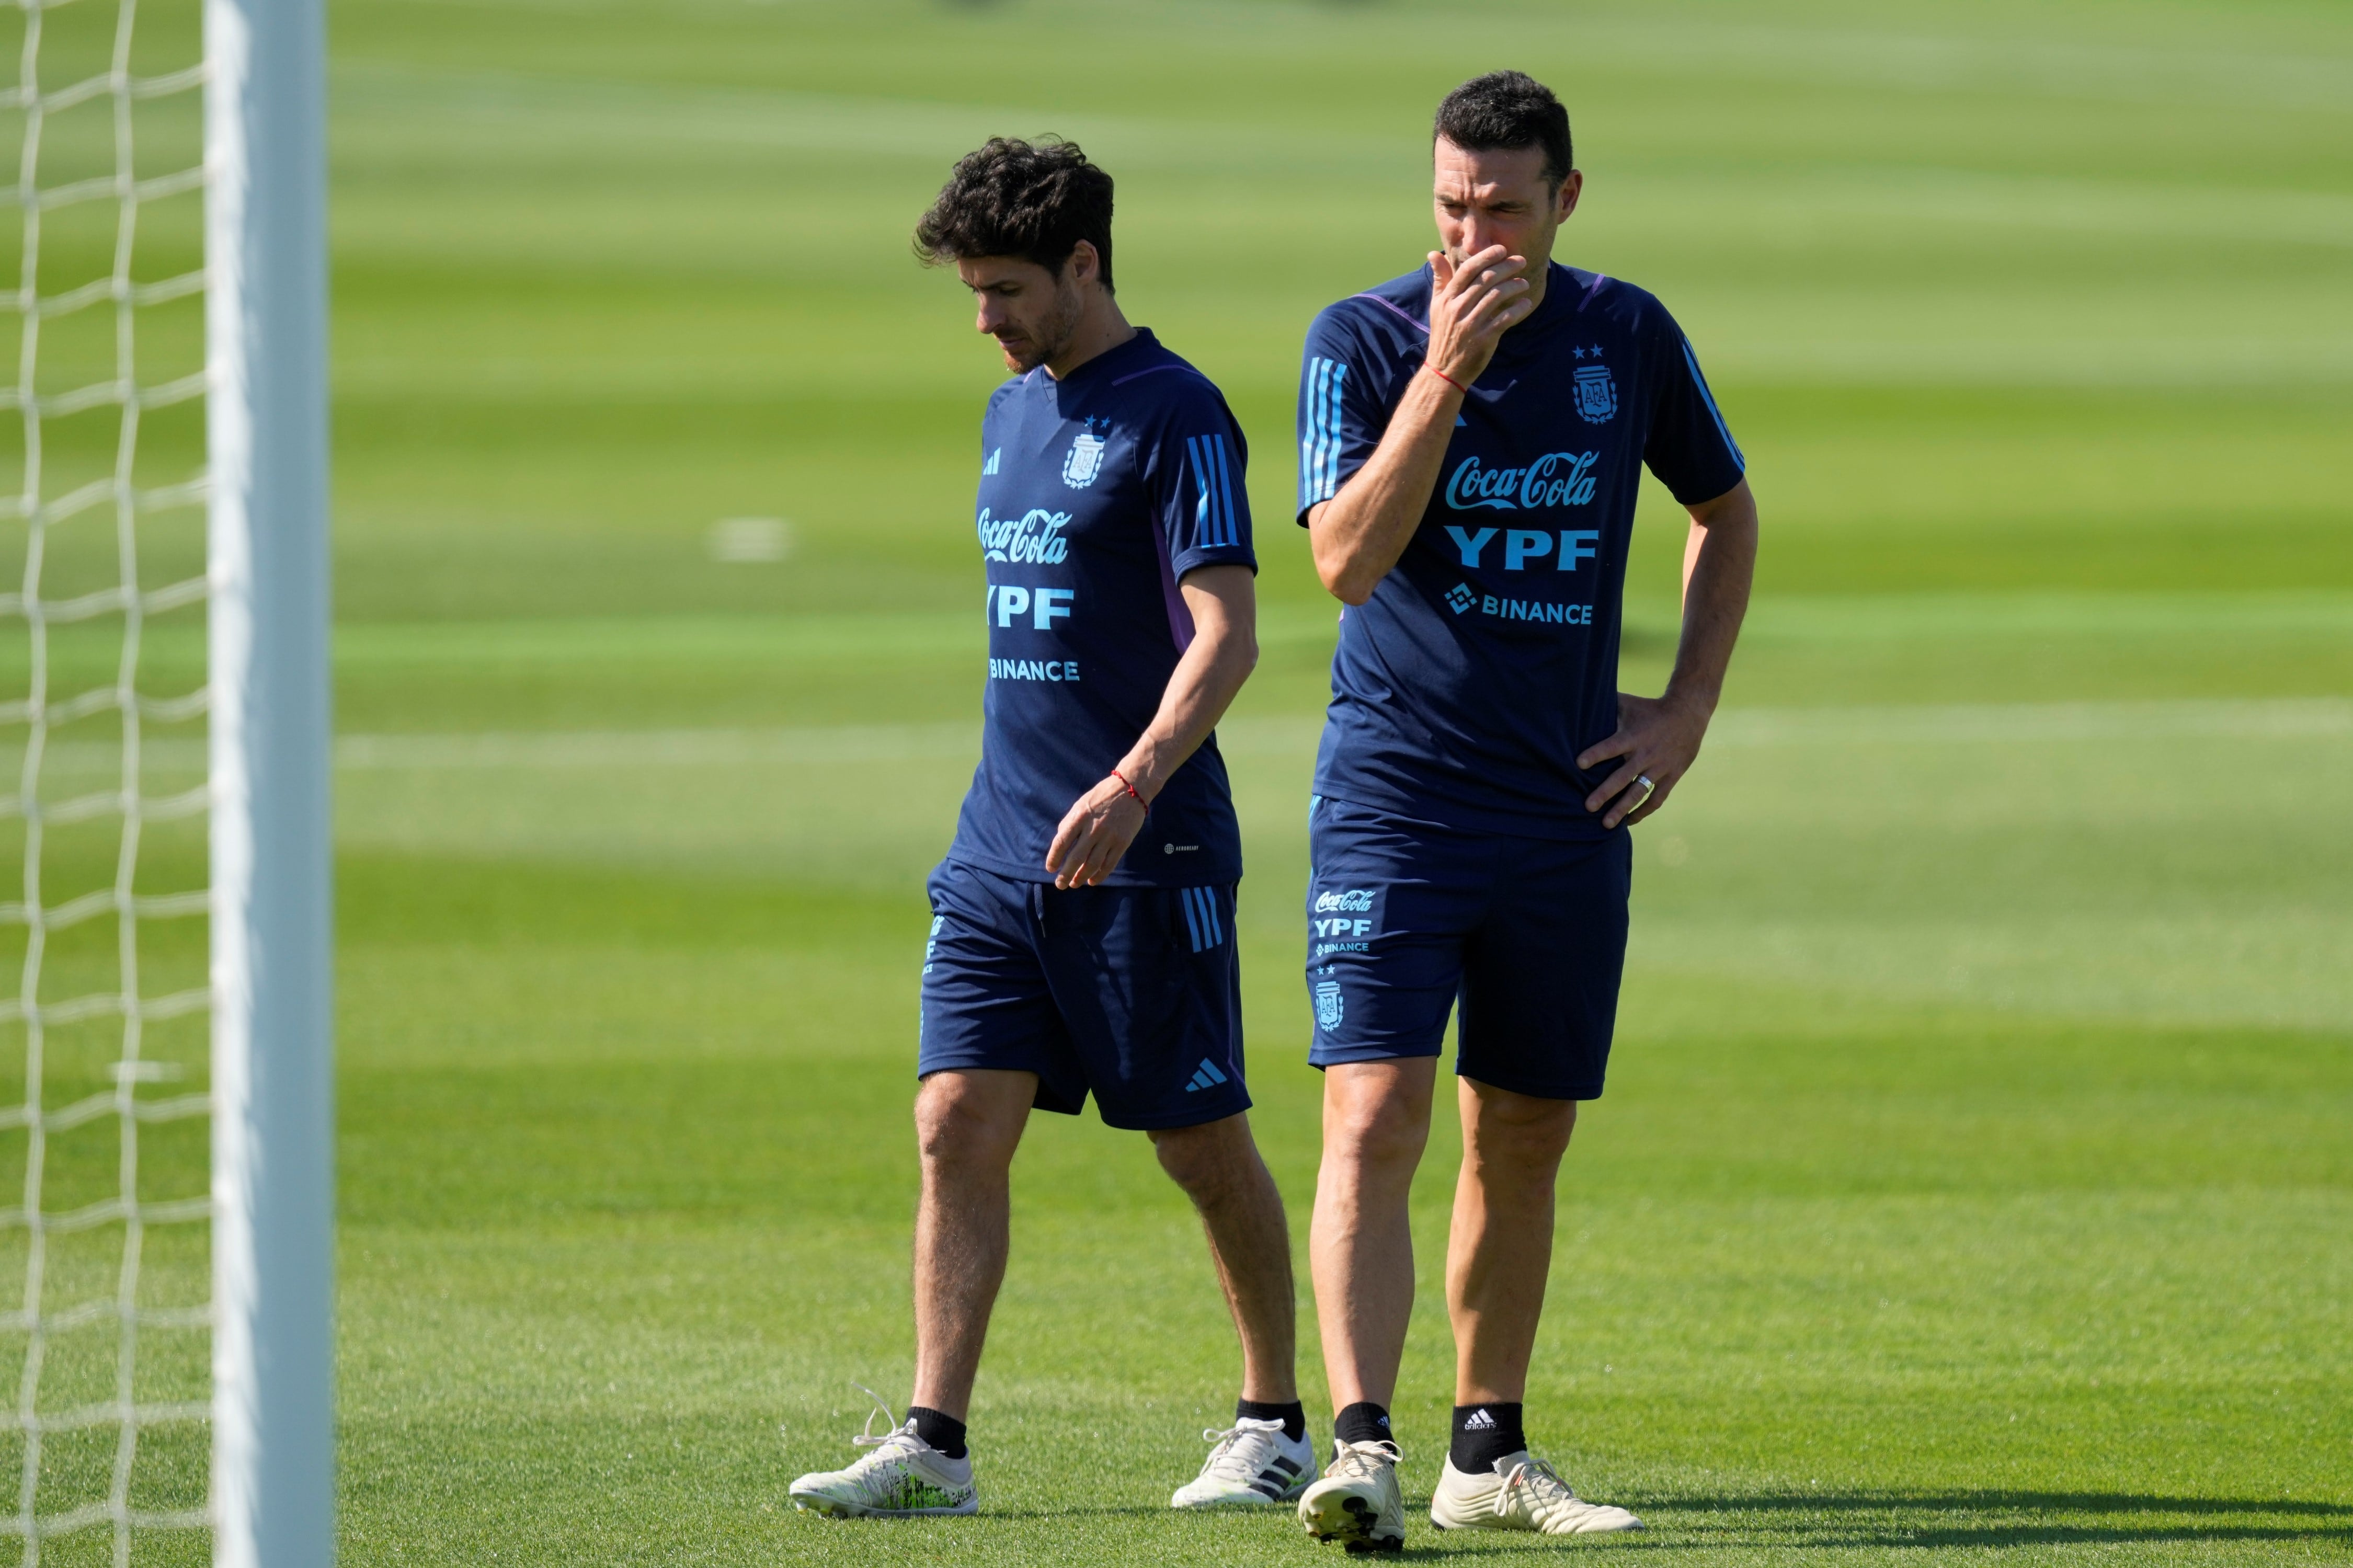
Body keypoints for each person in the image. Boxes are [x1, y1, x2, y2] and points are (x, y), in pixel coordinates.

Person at [789, 137, 1312, 1521]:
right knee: (953, 1120)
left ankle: (1274, 1426)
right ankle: (933, 1446)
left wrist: (1136, 781)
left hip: (1151, 850)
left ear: (1086, 263)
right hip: (998, 850)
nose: (985, 320)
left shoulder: (1176, 412)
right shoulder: (1010, 412)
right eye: (971, 291)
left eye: (1007, 288)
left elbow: (1230, 634)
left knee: (1197, 1143)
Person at [1288, 73, 1758, 1549]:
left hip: (1563, 810)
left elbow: (1724, 512)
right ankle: (1358, 1447)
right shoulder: (1361, 340)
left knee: (1527, 1127)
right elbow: (1343, 565)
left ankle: (1485, 1452)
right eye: (1448, 204)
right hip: (1397, 800)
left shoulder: (1627, 333)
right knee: (1372, 1111)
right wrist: (1443, 373)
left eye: (1500, 203)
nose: (1472, 229)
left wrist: (1681, 711)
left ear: (1564, 199)